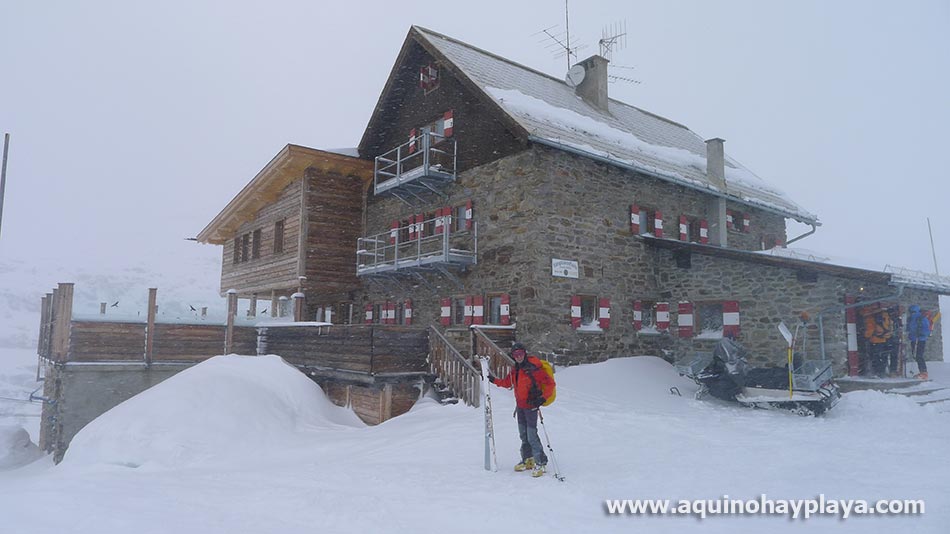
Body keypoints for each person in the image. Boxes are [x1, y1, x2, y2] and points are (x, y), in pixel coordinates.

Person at [485, 342, 555, 477]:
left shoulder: (534, 369)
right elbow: (507, 382)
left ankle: (541, 463)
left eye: (520, 354)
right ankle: (528, 459)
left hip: (532, 407)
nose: (518, 357)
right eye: (515, 355)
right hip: (520, 407)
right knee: (523, 435)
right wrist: (494, 380)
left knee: (531, 435)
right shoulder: (516, 370)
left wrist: (542, 398)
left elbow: (550, 384)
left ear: (525, 353)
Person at [863, 310, 894, 377]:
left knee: (875, 357)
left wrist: (865, 336)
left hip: (875, 340)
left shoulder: (870, 319)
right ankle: (882, 372)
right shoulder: (886, 317)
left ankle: (877, 372)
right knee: (883, 357)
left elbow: (869, 331)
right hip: (884, 339)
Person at [906, 305, 931, 380]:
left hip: (920, 340)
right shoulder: (911, 319)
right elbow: (909, 328)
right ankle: (922, 372)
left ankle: (924, 372)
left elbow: (927, 330)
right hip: (914, 339)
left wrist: (921, 334)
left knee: (919, 355)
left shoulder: (921, 318)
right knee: (916, 355)